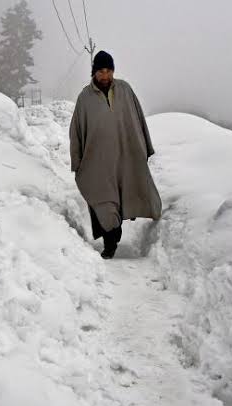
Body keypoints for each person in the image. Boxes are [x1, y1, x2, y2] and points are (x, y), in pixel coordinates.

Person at [69, 50, 162, 259]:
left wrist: (145, 146)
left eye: (109, 70)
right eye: (101, 71)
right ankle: (110, 242)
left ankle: (116, 228)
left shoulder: (125, 90)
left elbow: (138, 119)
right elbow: (76, 131)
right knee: (102, 199)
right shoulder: (85, 98)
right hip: (97, 161)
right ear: (94, 72)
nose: (105, 75)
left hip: (125, 155)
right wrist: (77, 160)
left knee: (123, 194)